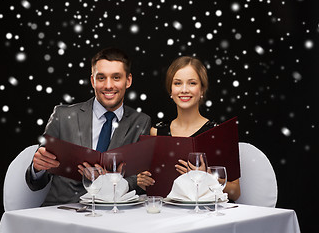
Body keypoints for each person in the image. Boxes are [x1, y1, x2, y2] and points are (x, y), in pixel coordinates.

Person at [25, 47, 152, 206]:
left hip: (113, 214)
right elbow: (35, 182)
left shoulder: (141, 122)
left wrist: (111, 181)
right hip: (62, 212)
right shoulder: (63, 116)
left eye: (116, 77)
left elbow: (140, 180)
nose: (108, 85)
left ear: (128, 81)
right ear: (92, 81)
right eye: (101, 78)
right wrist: (38, 168)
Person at [146, 56, 240, 201]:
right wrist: (143, 181)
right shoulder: (156, 132)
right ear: (170, 90)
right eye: (177, 83)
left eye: (192, 83)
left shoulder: (219, 133)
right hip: (166, 215)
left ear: (202, 89)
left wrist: (207, 176)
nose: (184, 89)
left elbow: (235, 192)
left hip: (206, 216)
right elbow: (154, 187)